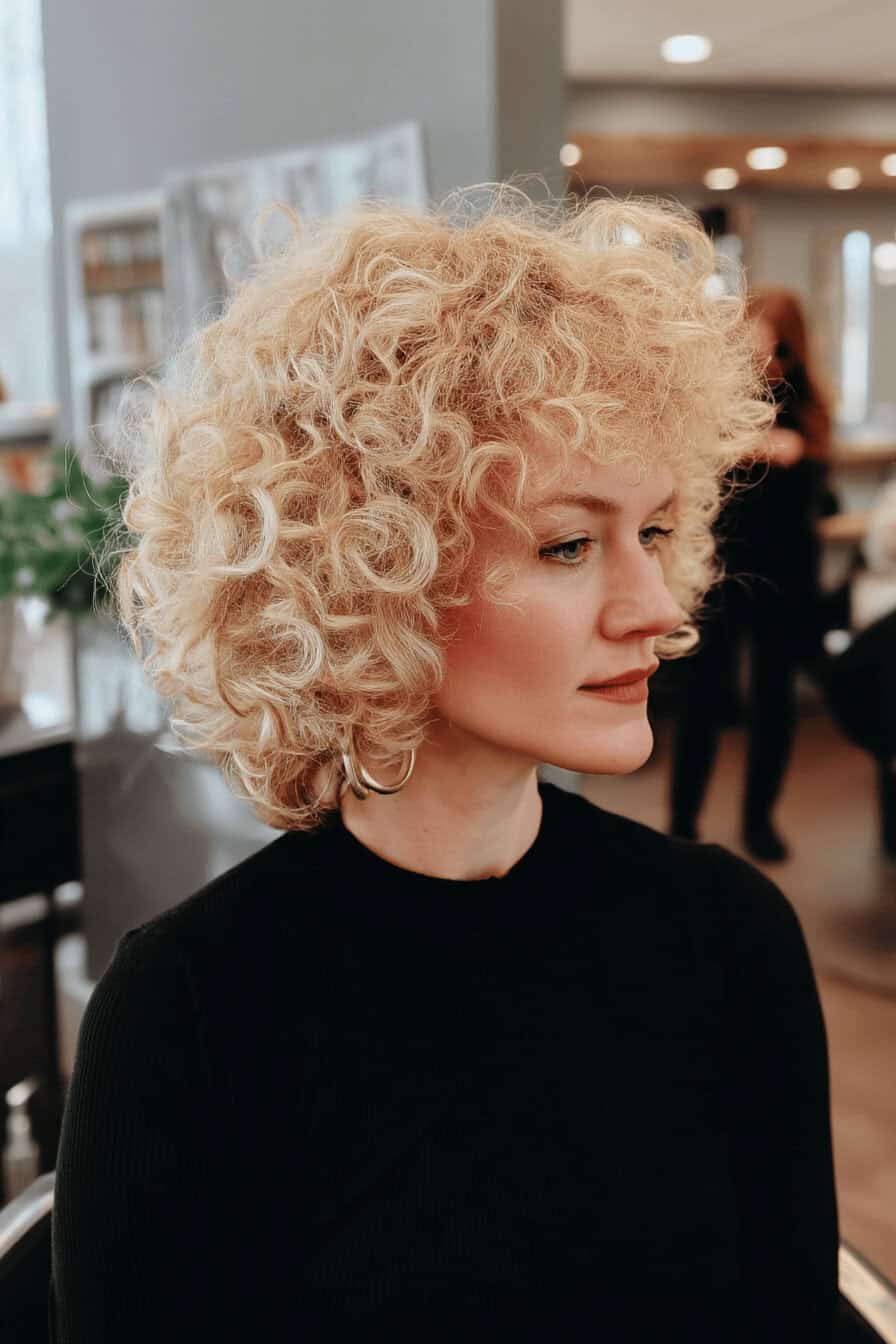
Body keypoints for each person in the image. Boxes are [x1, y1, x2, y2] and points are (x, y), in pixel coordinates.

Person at [50, 190, 839, 1343]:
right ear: (371, 573)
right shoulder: (192, 1012)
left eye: (656, 533)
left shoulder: (727, 940)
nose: (655, 608)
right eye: (568, 545)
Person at [669, 287, 833, 862]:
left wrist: (790, 449)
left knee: (774, 697)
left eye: (757, 327)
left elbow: (810, 472)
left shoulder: (809, 400)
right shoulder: (723, 394)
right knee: (705, 694)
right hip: (723, 567)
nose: (747, 335)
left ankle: (760, 820)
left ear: (782, 335)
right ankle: (681, 822)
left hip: (786, 572)